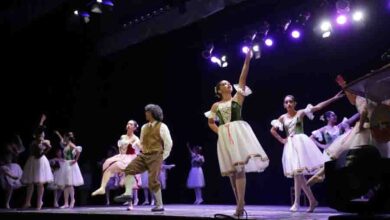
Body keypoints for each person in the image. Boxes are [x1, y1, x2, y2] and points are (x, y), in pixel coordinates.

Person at [205, 50, 269, 217]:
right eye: (224, 84)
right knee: (232, 171)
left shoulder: (237, 99)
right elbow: (210, 122)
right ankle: (239, 201)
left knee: (240, 167)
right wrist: (220, 132)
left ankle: (240, 205)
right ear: (219, 90)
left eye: (228, 83)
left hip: (238, 132)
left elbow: (242, 79)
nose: (228, 85)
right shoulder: (215, 106)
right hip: (225, 136)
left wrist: (247, 61)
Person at [270, 92, 344, 212]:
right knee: (299, 175)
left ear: (295, 103)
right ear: (284, 105)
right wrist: (282, 140)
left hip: (301, 143)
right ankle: (313, 201)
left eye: (290, 101)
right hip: (290, 145)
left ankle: (296, 203)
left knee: (298, 174)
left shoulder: (300, 113)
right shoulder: (282, 117)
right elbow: (273, 130)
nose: (288, 103)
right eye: (286, 102)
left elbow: (318, 107)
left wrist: (334, 98)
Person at [114, 104, 173, 212]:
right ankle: (128, 194)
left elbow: (168, 143)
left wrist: (162, 156)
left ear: (152, 113)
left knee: (153, 180)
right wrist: (135, 146)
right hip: (144, 155)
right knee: (129, 169)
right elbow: (142, 143)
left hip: (156, 155)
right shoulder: (144, 127)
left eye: (147, 112)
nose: (145, 113)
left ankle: (159, 205)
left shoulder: (162, 126)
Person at [91, 120, 141, 209]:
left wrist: (137, 145)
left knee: (128, 180)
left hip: (130, 159)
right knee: (106, 164)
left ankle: (130, 204)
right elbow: (121, 149)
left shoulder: (135, 138)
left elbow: (141, 148)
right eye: (128, 123)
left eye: (131, 124)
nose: (128, 125)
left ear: (135, 127)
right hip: (122, 157)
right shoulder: (122, 136)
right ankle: (102, 188)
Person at [21, 114, 54, 209]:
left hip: (40, 161)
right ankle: (28, 202)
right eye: (40, 133)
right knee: (30, 183)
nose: (41, 134)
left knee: (40, 182)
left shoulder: (44, 141)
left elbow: (39, 155)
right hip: (32, 161)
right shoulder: (35, 141)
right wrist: (41, 121)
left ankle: (39, 202)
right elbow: (38, 129)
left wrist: (47, 149)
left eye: (42, 133)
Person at [54, 131, 84, 208]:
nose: (63, 138)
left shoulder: (70, 144)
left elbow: (78, 151)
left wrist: (76, 160)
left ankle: (72, 200)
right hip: (66, 164)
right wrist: (58, 134)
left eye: (65, 137)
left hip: (70, 164)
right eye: (63, 137)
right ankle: (66, 203)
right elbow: (62, 141)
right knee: (66, 185)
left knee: (69, 184)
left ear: (67, 137)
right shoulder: (66, 144)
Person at [0, 134, 24, 209]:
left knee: (11, 185)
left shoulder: (13, 148)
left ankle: (8, 203)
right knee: (5, 171)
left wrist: (18, 139)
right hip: (3, 166)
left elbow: (21, 149)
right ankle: (11, 177)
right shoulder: (6, 147)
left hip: (11, 166)